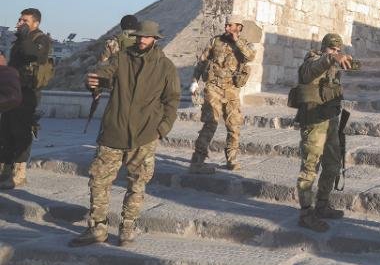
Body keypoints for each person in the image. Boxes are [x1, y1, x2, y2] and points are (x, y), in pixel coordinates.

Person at [70, 20, 180, 247]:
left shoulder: (165, 66)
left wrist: (162, 129)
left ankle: (127, 227)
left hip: (145, 135)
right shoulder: (121, 58)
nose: (141, 40)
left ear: (155, 39)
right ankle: (97, 227)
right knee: (99, 181)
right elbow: (104, 76)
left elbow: (172, 100)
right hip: (114, 131)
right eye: (139, 36)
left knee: (137, 185)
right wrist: (93, 82)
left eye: (146, 37)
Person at [294, 33, 353, 231]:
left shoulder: (333, 67)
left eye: (338, 50)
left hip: (330, 121)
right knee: (310, 167)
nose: (335, 53)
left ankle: (322, 204)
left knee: (333, 164)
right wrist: (331, 58)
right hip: (313, 122)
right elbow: (311, 70)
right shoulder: (311, 61)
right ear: (324, 48)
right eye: (332, 49)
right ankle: (305, 213)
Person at [188, 16, 256, 173]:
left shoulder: (245, 44)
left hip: (232, 90)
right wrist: (195, 80)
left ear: (239, 27)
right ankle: (197, 161)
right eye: (226, 25)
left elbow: (250, 56)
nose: (226, 28)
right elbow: (202, 61)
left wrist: (236, 41)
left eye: (230, 25)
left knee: (234, 125)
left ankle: (232, 159)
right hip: (214, 87)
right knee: (210, 122)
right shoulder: (215, 41)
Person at [0, 8, 52, 190]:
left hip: (28, 93)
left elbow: (34, 55)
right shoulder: (19, 40)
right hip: (12, 92)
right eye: (20, 20)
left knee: (21, 131)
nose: (20, 23)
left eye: (25, 21)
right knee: (5, 130)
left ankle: (19, 174)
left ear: (35, 23)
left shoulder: (41, 39)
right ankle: (4, 171)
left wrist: (24, 37)